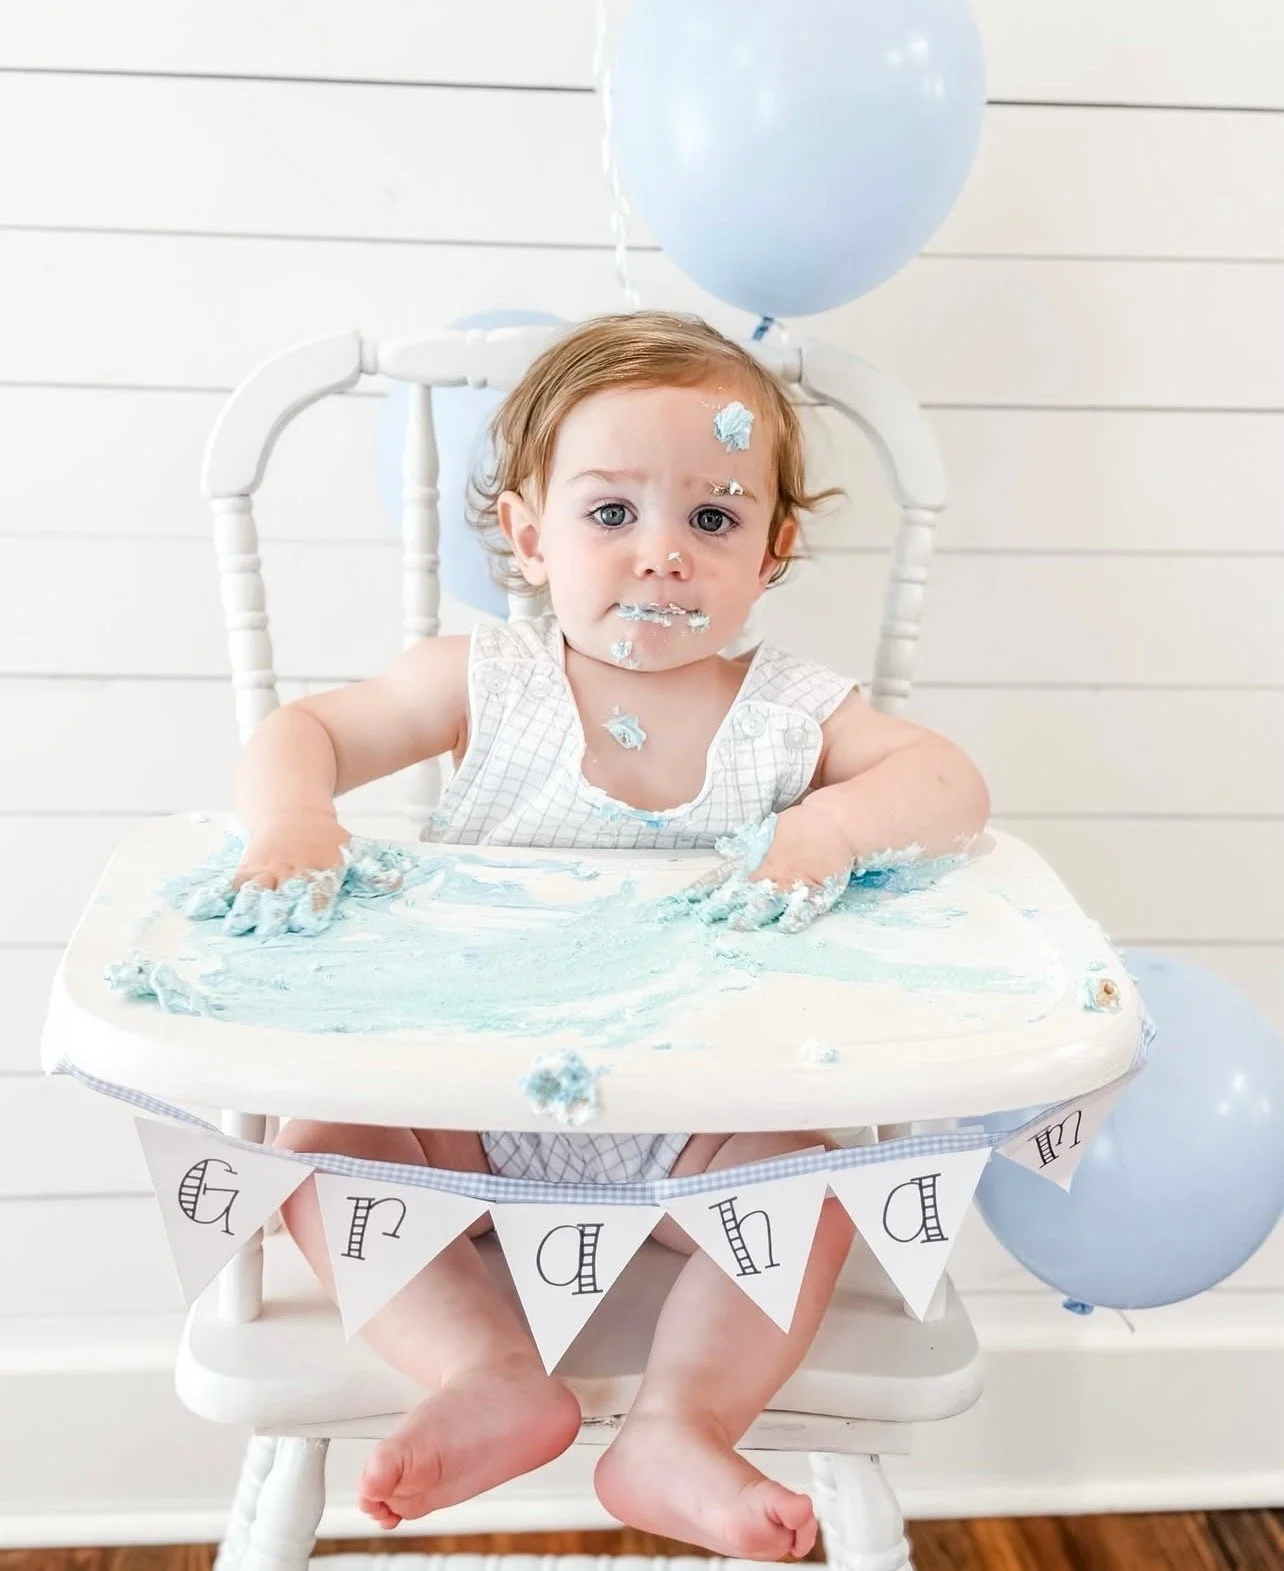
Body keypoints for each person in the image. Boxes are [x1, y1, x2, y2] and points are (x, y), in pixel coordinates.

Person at [232, 310, 989, 1557]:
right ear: (529, 539)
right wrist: (298, 817)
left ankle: (683, 1422)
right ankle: (483, 1369)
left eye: (713, 517)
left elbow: (951, 785)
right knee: (313, 1151)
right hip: (468, 1107)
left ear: (772, 548)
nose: (663, 555)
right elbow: (301, 732)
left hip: (696, 1120)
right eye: (609, 513)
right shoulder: (484, 681)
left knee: (807, 1191)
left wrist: (834, 826)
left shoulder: (789, 713)